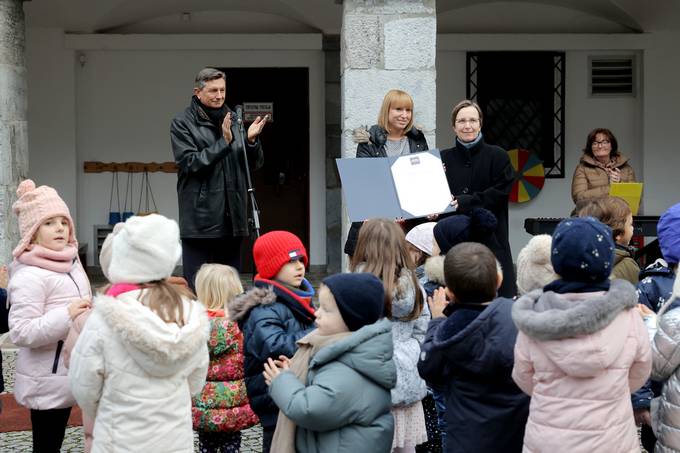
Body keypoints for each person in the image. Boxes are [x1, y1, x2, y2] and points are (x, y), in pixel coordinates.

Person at [68, 214, 210, 452]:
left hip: (119, 440)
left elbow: (84, 385)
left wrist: (108, 409)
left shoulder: (104, 317)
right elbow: (196, 381)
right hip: (174, 439)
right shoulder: (189, 315)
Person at [512, 216, 651, 452]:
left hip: (549, 440)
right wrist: (612, 389)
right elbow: (640, 371)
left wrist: (554, 395)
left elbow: (523, 377)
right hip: (612, 439)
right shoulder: (627, 316)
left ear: (557, 261)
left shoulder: (535, 317)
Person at [263, 272, 396, 453]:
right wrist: (299, 369)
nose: (317, 313)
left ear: (351, 318)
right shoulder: (347, 355)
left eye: (326, 309)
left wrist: (282, 381)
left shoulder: (348, 371)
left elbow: (310, 409)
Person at [418, 242, 529, 453]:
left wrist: (437, 321)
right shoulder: (519, 318)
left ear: (449, 292)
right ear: (499, 280)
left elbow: (428, 369)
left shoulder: (446, 331)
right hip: (516, 436)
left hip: (465, 440)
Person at [7, 179, 92, 452]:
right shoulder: (30, 275)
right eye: (49, 223)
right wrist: (66, 316)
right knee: (47, 444)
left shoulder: (72, 262)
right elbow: (21, 331)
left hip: (75, 370)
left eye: (63, 222)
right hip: (47, 379)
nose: (59, 228)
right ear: (32, 232)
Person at [171, 67, 267, 290]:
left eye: (222, 90)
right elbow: (190, 163)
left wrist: (251, 142)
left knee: (229, 288)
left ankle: (228, 326)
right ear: (198, 92)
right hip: (200, 220)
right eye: (213, 90)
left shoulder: (233, 119)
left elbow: (252, 164)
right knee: (197, 288)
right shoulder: (182, 122)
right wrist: (223, 143)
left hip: (233, 217)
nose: (219, 95)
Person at [226, 231, 316, 453]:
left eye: (300, 260)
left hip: (292, 393)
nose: (299, 266)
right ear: (272, 267)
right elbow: (273, 345)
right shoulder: (263, 308)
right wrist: (318, 334)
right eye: (290, 261)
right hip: (273, 399)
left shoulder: (297, 299)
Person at [350, 219, 430, 453]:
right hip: (406, 374)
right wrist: (411, 350)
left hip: (367, 375)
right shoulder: (415, 285)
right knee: (405, 448)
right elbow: (423, 327)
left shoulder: (354, 285)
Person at [439, 100, 516, 297]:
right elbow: (436, 195)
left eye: (473, 120)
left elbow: (501, 192)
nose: (467, 126)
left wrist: (466, 201)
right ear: (453, 126)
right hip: (453, 244)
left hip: (492, 242)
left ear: (480, 123)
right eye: (461, 121)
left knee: (498, 304)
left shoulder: (498, 156)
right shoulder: (441, 159)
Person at [344, 89, 429, 257]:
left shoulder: (418, 140)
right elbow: (365, 184)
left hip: (409, 227)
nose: (404, 115)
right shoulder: (369, 142)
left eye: (408, 110)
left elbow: (422, 182)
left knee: (406, 278)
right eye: (398, 109)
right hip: (377, 226)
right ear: (386, 110)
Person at [192, 264, 259, 453]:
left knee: (206, 445)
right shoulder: (242, 324)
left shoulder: (194, 325)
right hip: (234, 405)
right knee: (232, 445)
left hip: (202, 404)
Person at [577, 196, 639, 284]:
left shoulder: (577, 260)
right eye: (630, 224)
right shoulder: (628, 265)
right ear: (619, 234)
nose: (632, 228)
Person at [571, 128, 636, 203]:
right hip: (591, 213)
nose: (600, 146)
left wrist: (619, 184)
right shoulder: (582, 168)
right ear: (590, 148)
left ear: (612, 146)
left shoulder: (627, 169)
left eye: (604, 142)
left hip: (618, 213)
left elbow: (636, 199)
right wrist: (610, 188)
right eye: (595, 143)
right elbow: (579, 198)